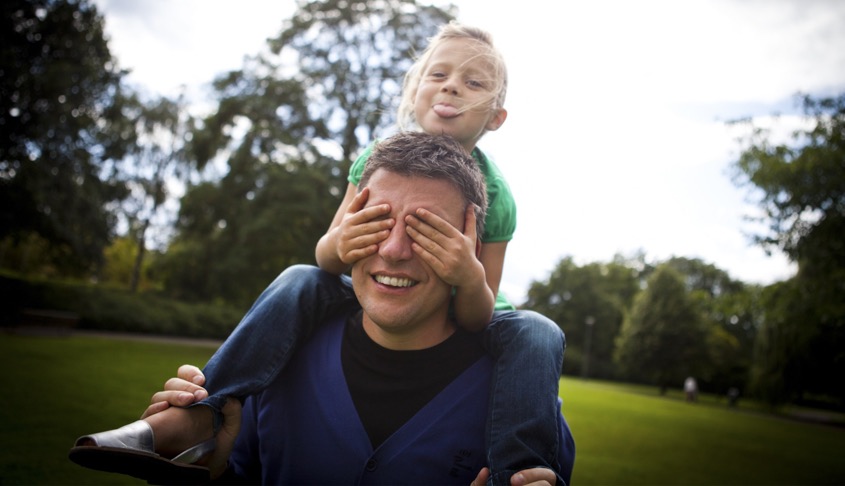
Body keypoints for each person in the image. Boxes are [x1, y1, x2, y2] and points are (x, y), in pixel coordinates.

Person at [70, 22, 567, 486]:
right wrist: (341, 244)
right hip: (352, 296)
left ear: (497, 117)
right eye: (438, 74)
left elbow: (478, 314)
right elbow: (328, 256)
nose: (451, 86)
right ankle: (200, 412)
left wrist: (468, 273)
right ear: (414, 91)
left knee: (538, 331)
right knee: (300, 277)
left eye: (473, 83)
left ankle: (520, 469)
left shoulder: (497, 195)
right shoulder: (373, 161)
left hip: (478, 314)